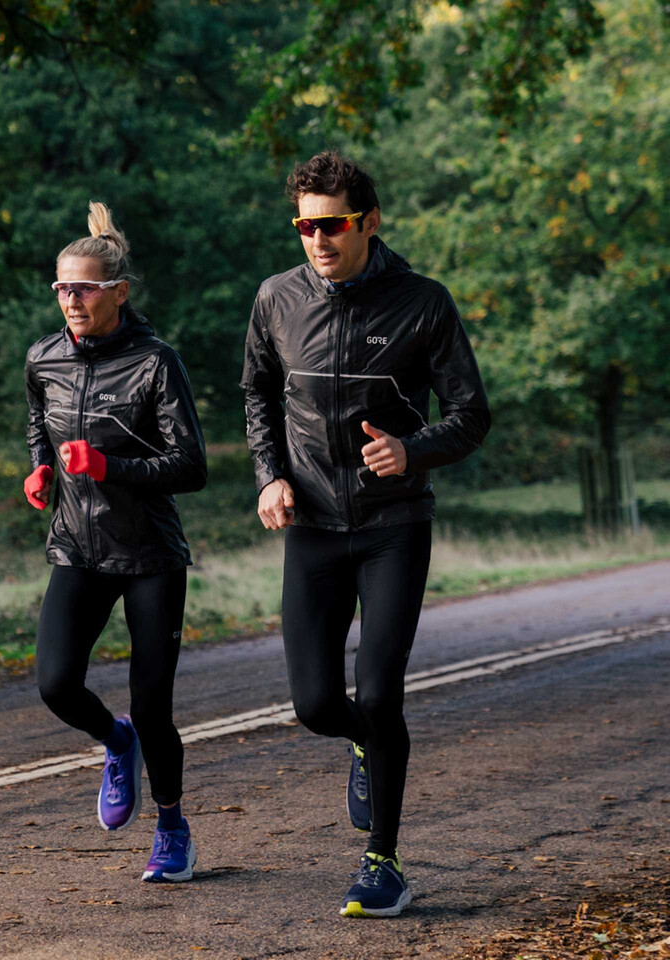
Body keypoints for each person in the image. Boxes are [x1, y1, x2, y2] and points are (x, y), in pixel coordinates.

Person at [241, 151, 490, 917]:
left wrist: (411, 450)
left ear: (369, 222)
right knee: (318, 704)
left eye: (333, 224)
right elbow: (257, 392)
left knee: (379, 692)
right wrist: (268, 477)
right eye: (305, 226)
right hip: (312, 523)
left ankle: (382, 860)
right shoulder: (276, 300)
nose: (318, 239)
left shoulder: (423, 303)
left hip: (393, 525)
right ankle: (362, 741)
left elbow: (471, 414)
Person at [24, 201, 207, 883]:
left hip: (150, 557)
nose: (72, 299)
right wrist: (41, 468)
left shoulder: (156, 364)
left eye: (86, 288)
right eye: (62, 288)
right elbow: (38, 424)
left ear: (118, 292)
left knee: (155, 705)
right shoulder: (43, 358)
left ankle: (172, 828)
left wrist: (110, 468)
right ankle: (112, 738)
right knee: (55, 683)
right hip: (76, 547)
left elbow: (192, 466)